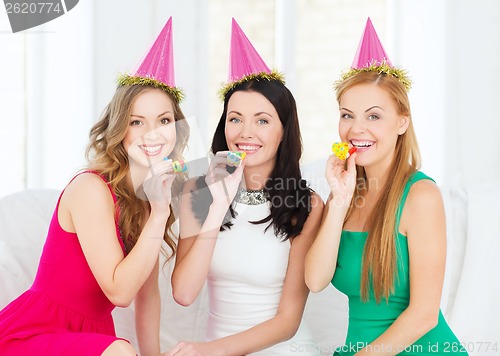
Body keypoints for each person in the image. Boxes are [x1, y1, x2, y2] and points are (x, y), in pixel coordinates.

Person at [0, 17, 189, 356]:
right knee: (119, 351)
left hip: (95, 337)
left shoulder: (149, 199)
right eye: (137, 122)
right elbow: (120, 293)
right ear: (120, 130)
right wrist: (160, 213)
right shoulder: (91, 188)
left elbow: (147, 296)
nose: (154, 133)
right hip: (35, 334)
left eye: (164, 120)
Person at [304, 18, 468, 355]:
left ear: (402, 122)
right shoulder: (345, 193)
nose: (356, 128)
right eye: (347, 115)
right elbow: (315, 280)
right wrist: (339, 200)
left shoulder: (421, 196)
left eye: (373, 116)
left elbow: (423, 314)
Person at [169, 19, 324, 356]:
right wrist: (216, 204)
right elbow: (183, 293)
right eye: (235, 118)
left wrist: (209, 351)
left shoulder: (306, 204)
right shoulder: (196, 191)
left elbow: (288, 321)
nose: (244, 132)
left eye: (263, 120)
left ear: (284, 131)